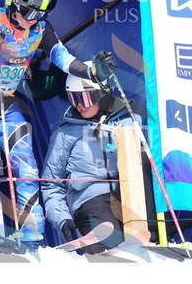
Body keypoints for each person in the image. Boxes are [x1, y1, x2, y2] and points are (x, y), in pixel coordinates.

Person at [0, 0, 116, 248]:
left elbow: (63, 58)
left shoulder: (42, 29)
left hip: (8, 102)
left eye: (39, 14)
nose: (31, 20)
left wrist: (93, 71)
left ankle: (32, 238)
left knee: (27, 168)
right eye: (27, 12)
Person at [41, 66, 138, 254]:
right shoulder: (65, 134)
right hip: (93, 200)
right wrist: (62, 219)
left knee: (139, 240)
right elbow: (50, 183)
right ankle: (100, 252)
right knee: (109, 240)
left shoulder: (129, 123)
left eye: (85, 98)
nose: (80, 105)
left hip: (131, 194)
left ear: (101, 95)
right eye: (74, 98)